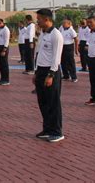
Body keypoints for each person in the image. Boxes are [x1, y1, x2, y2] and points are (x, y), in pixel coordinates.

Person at [33, 8, 64, 143]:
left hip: (51, 72)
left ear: (46, 19)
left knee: (53, 103)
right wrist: (36, 71)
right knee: (43, 102)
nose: (37, 21)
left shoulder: (56, 35)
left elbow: (56, 57)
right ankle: (47, 128)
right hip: (40, 70)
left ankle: (57, 131)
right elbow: (38, 53)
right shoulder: (43, 33)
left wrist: (50, 75)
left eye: (39, 19)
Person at [59, 18, 79, 82]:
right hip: (62, 46)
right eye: (63, 23)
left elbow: (76, 39)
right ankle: (66, 75)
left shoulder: (71, 30)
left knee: (70, 62)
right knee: (63, 62)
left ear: (69, 24)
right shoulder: (61, 28)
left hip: (69, 47)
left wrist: (76, 49)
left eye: (65, 23)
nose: (63, 24)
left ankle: (74, 77)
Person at [0, 18, 11, 86]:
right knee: (0, 64)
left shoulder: (6, 29)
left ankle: (6, 80)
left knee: (4, 64)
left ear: (0, 22)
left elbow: (6, 40)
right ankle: (2, 78)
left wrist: (4, 50)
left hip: (3, 48)